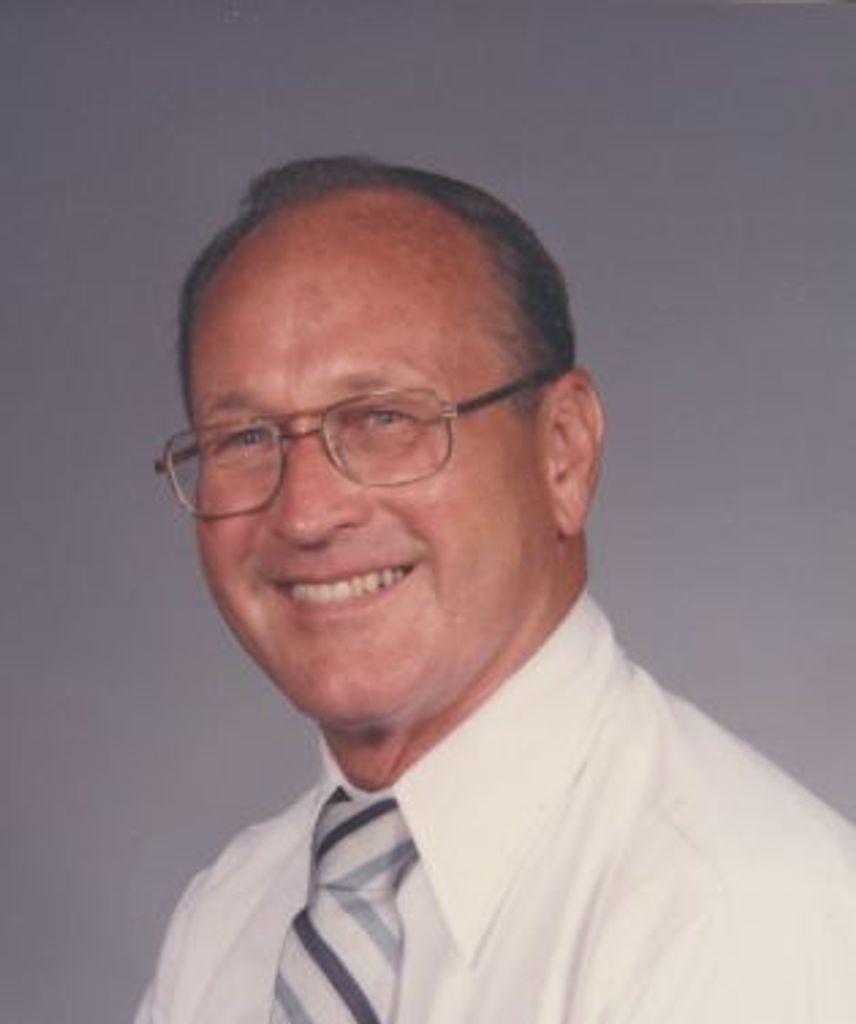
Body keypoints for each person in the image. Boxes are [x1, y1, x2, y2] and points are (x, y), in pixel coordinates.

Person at [139, 156, 856, 1024]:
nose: (306, 512)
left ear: (562, 452)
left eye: (384, 419)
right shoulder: (227, 921)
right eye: (245, 437)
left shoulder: (739, 920)